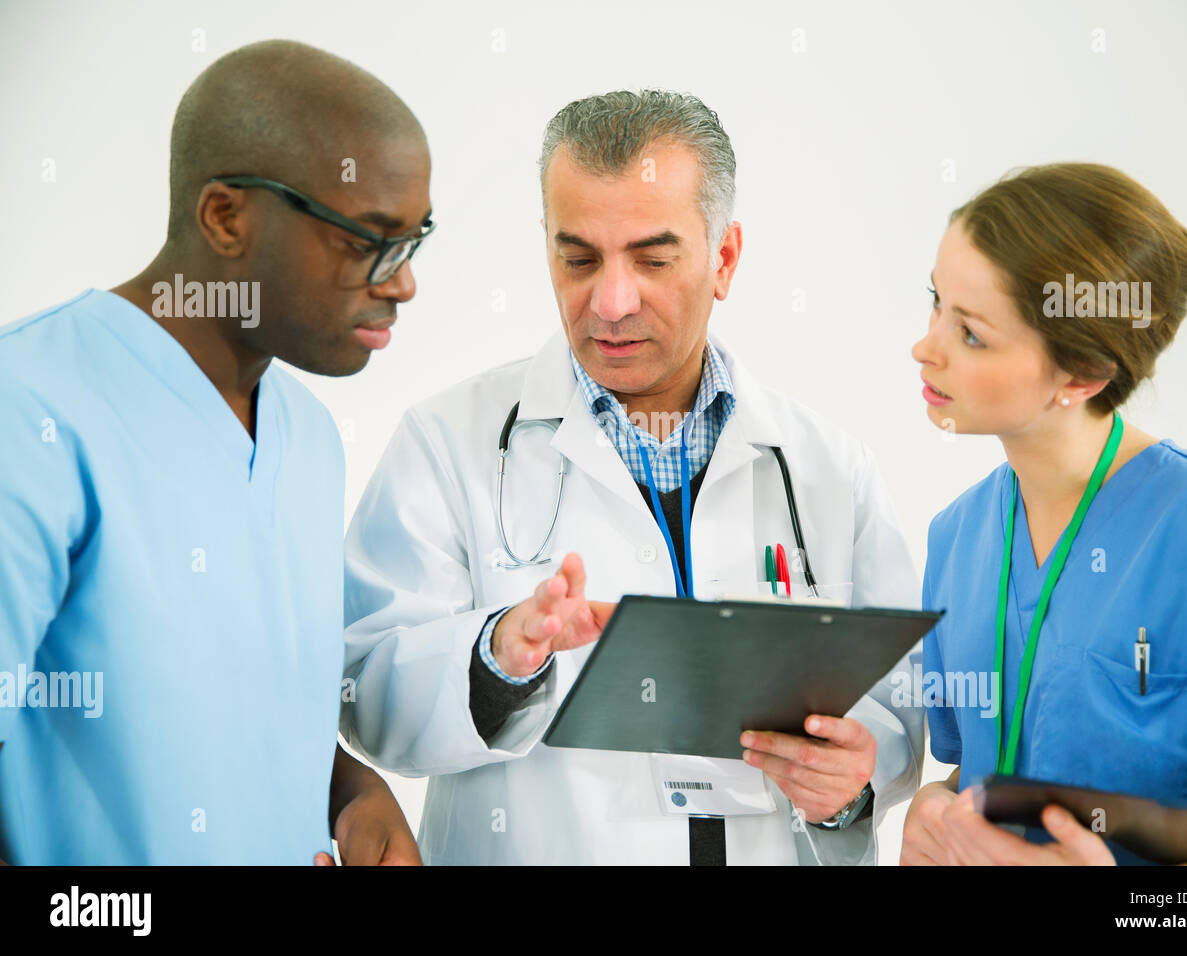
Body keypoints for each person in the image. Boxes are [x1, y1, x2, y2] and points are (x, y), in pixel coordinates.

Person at [341, 89, 922, 865]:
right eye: (578, 258)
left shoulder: (824, 467)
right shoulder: (448, 443)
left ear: (724, 258)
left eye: (653, 258)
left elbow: (901, 707)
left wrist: (853, 775)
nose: (611, 303)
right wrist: (495, 659)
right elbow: (365, 692)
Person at [0, 40, 431, 865]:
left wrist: (348, 788)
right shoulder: (29, 413)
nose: (402, 281)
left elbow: (232, 701)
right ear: (227, 218)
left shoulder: (305, 437)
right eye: (367, 239)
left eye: (414, 240)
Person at [901, 162, 1187, 865]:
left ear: (1082, 376)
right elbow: (992, 773)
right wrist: (937, 808)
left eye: (970, 333)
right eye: (936, 302)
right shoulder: (957, 539)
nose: (924, 347)